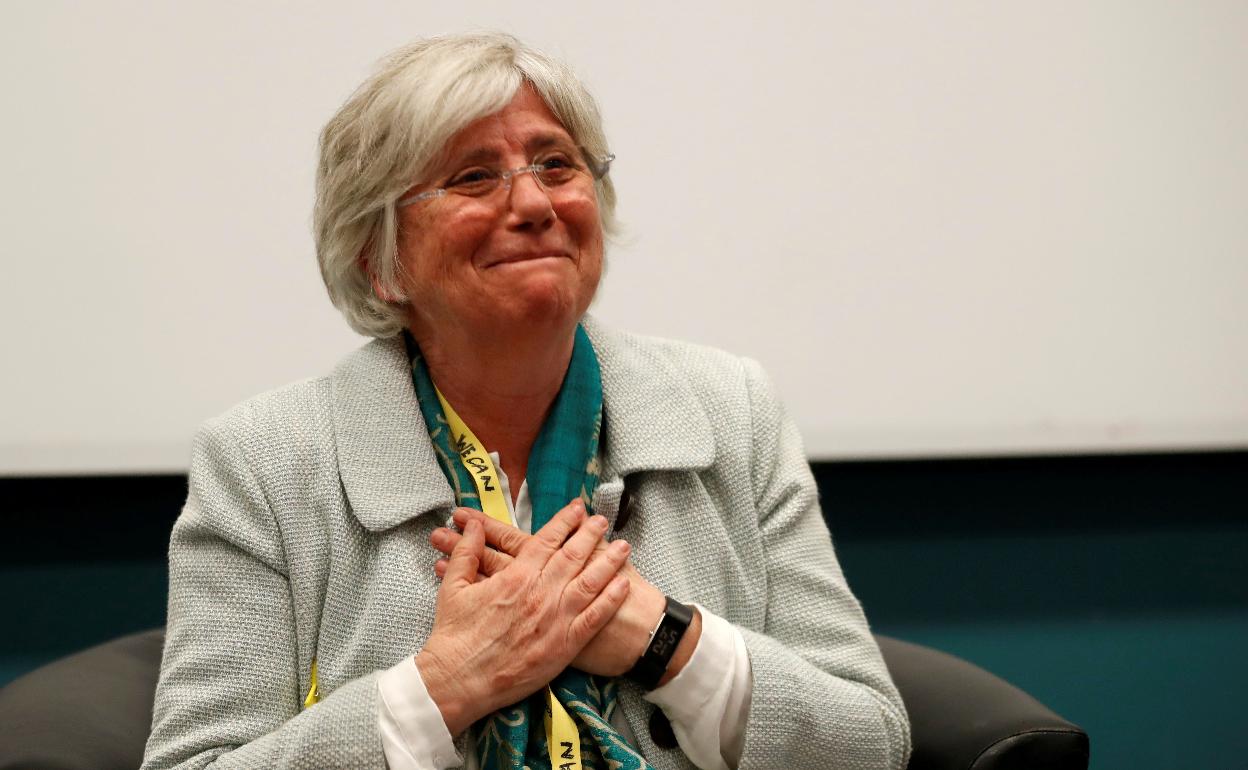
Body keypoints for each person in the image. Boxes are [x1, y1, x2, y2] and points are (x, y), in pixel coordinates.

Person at [141, 32, 910, 770]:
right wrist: (447, 685)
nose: (536, 203)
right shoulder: (264, 463)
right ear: (380, 260)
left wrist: (664, 641)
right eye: (475, 177)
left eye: (556, 164)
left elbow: (871, 742)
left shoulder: (730, 411)